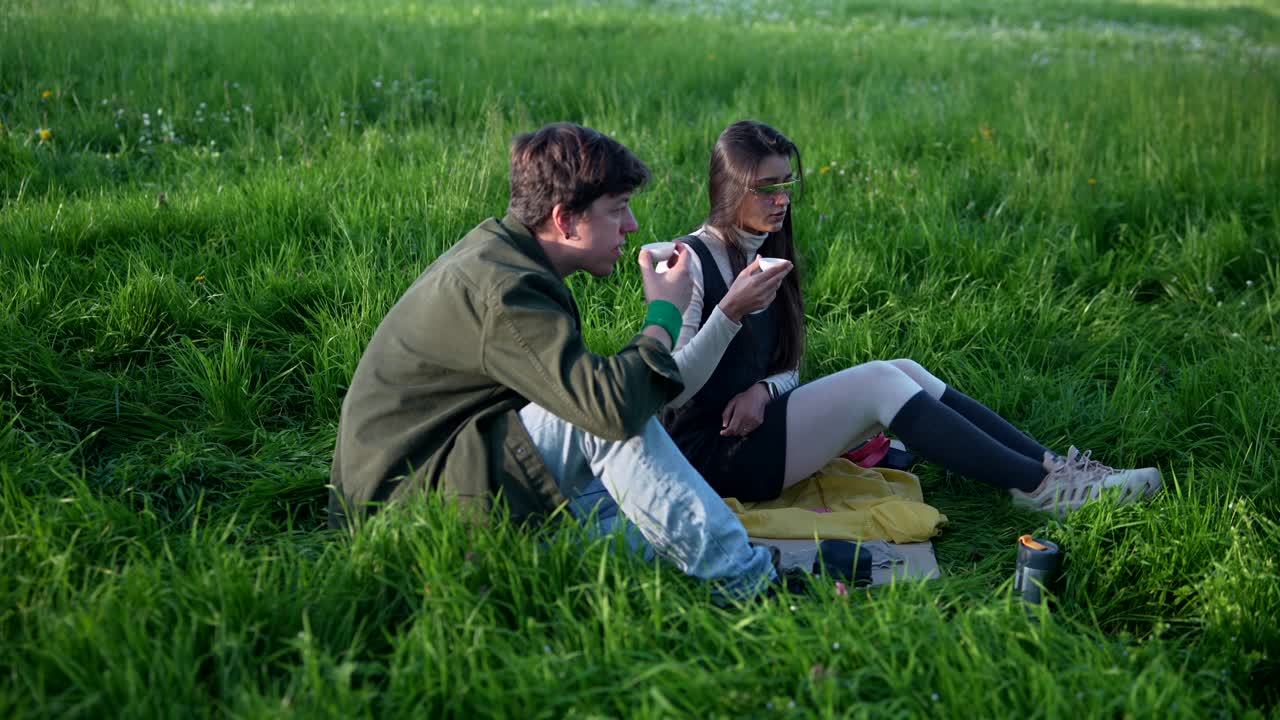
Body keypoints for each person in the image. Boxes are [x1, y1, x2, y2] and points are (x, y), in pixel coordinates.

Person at [327, 122, 777, 599]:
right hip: (407, 516)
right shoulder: (505, 290)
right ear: (564, 219)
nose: (632, 227)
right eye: (618, 210)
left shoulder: (509, 255)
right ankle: (753, 586)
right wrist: (663, 314)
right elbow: (611, 410)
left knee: (644, 505)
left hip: (458, 474)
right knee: (610, 420)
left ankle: (745, 562)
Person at [659, 119, 1162, 518]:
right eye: (767, 188)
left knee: (904, 369)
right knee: (880, 380)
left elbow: (790, 365)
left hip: (757, 433)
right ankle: (1040, 490)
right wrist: (729, 312)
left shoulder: (769, 252)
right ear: (730, 189)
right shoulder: (688, 264)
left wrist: (764, 391)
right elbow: (670, 390)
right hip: (709, 459)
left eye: (787, 183)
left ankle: (1053, 469)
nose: (783, 199)